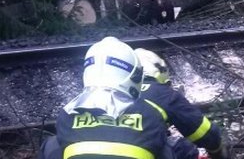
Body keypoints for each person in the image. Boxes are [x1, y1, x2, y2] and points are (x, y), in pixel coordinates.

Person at [38, 36, 171, 159]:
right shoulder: (150, 113)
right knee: (165, 147)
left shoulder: (68, 113)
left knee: (53, 145)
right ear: (134, 75)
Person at [134, 48, 229, 159]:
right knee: (183, 149)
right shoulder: (162, 93)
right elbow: (206, 134)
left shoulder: (113, 92)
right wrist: (218, 153)